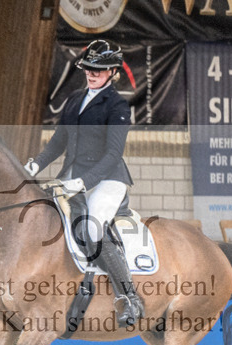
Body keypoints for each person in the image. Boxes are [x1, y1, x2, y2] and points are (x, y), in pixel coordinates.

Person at [25, 39, 144, 325]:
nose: (91, 74)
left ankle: (129, 297)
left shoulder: (117, 106)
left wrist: (83, 182)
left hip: (108, 179)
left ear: (113, 72)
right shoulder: (75, 99)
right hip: (72, 177)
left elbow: (114, 153)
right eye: (88, 68)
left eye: (99, 70)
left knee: (91, 227)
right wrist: (34, 164)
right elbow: (58, 142)